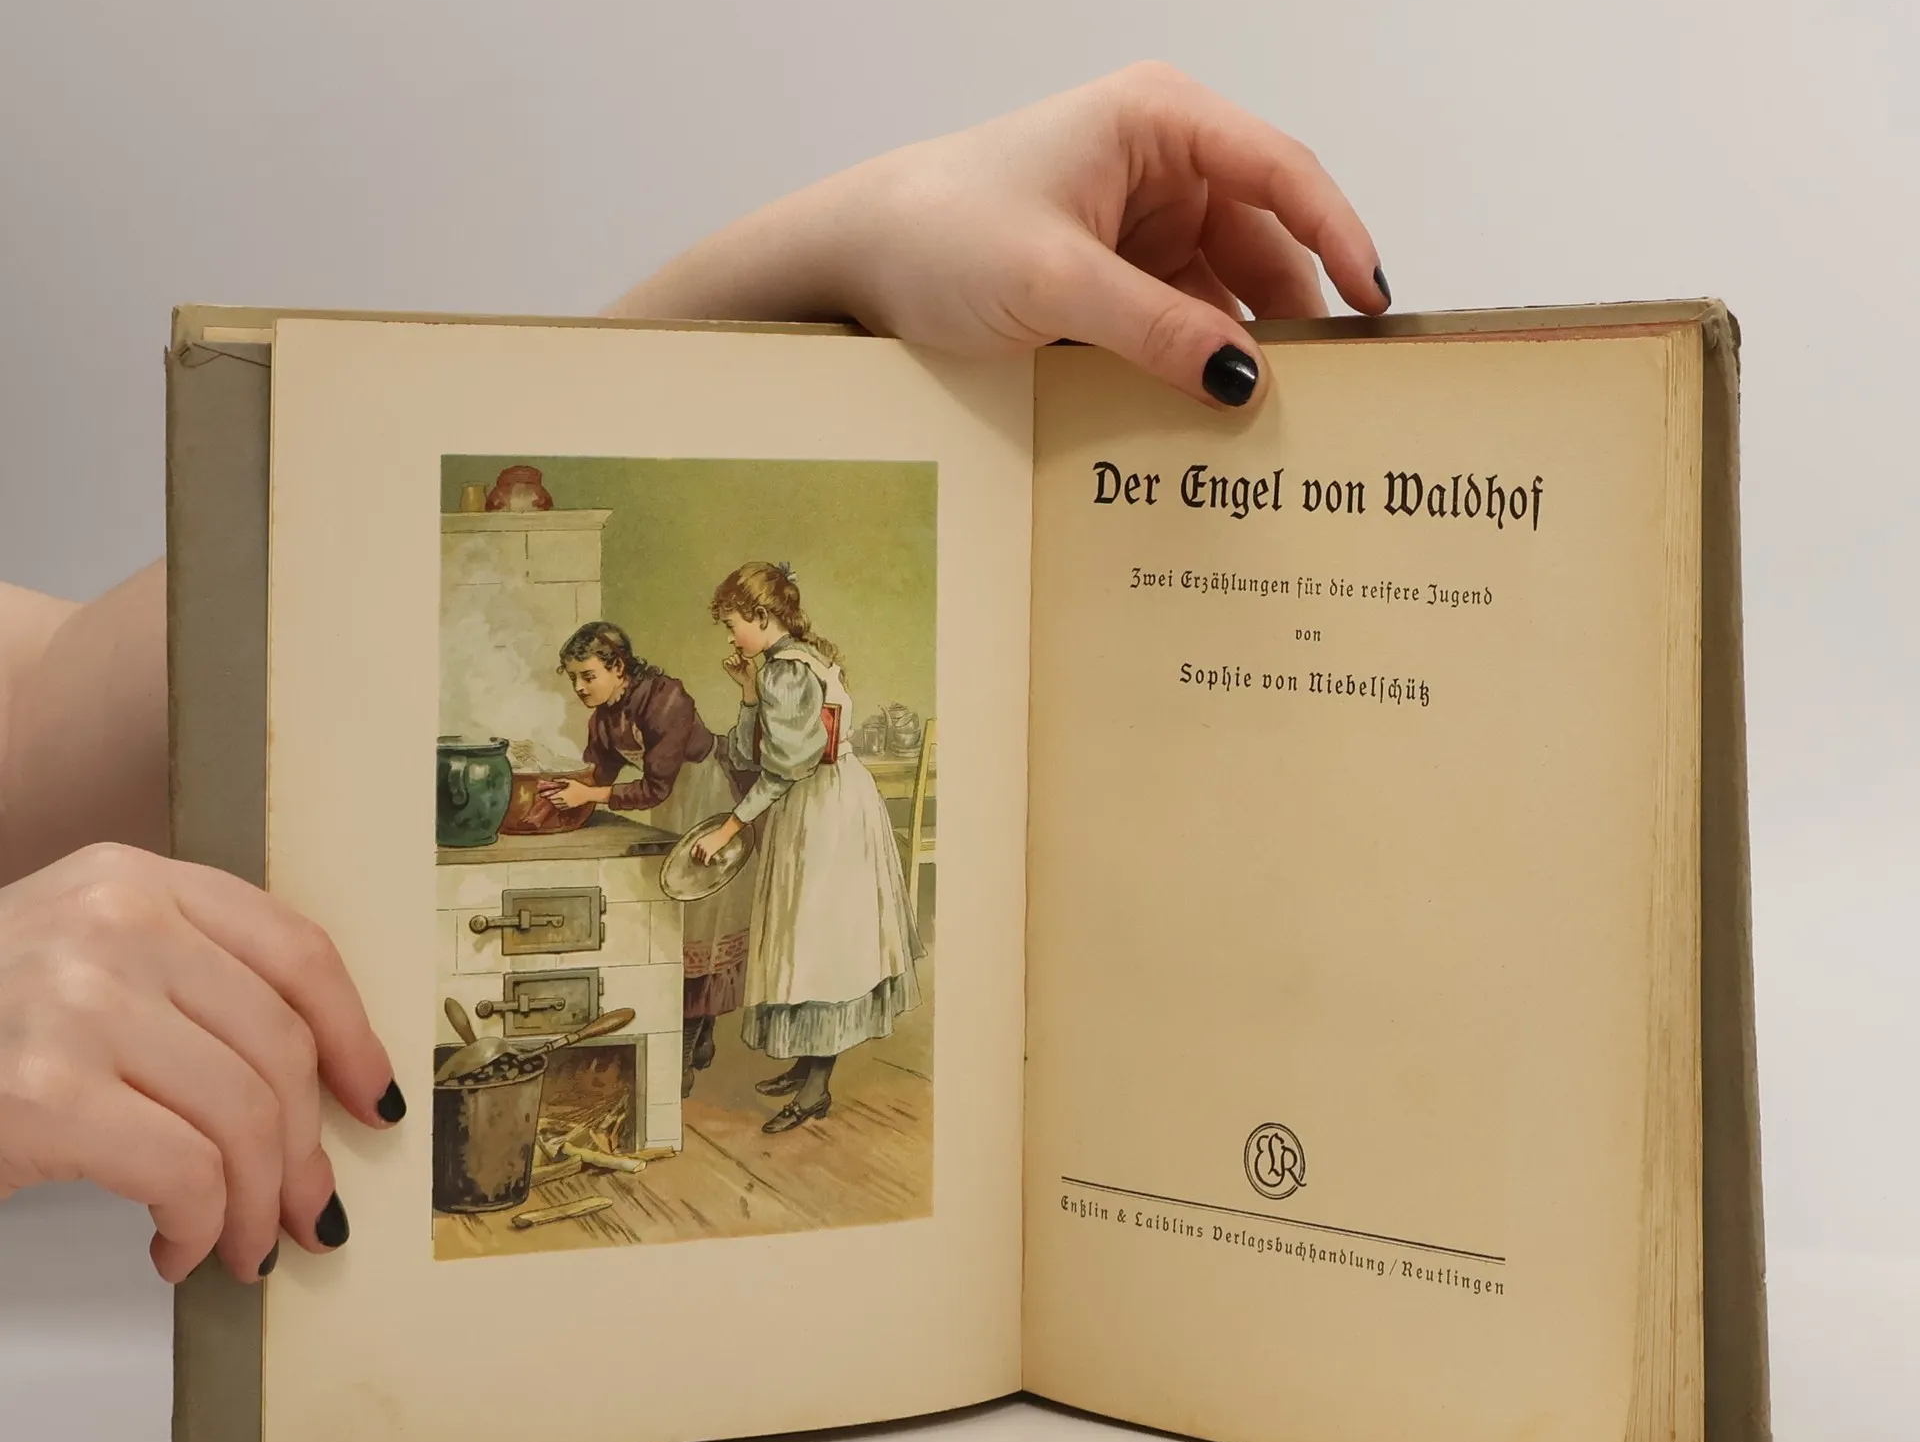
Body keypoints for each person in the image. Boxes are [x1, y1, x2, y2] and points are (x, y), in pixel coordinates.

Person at [0, 63, 1388, 1284]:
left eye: (734, 626)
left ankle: (797, 1075)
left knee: (804, 945)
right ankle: (793, 1071)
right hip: (787, 817)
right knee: (794, 946)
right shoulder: (729, 686)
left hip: (801, 818)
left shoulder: (751, 684)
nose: (723, 643)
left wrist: (836, 246)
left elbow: (57, 706)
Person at [693, 563, 919, 1132]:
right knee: (808, 943)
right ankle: (807, 1066)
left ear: (761, 616)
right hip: (825, 804)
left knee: (821, 946)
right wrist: (747, 693)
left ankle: (817, 1088)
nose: (730, 638)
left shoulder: (787, 673)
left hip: (824, 816)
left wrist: (729, 828)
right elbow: (749, 753)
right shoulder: (792, 664)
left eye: (732, 625)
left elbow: (779, 769)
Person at [539, 620, 756, 1095]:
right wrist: (560, 792)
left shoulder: (667, 699)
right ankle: (697, 1037)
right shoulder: (605, 716)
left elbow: (656, 786)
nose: (579, 688)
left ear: (618, 668)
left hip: (707, 800)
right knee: (675, 927)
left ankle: (685, 1055)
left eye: (587, 676)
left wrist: (588, 795)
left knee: (700, 925)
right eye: (573, 678)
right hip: (668, 810)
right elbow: (599, 773)